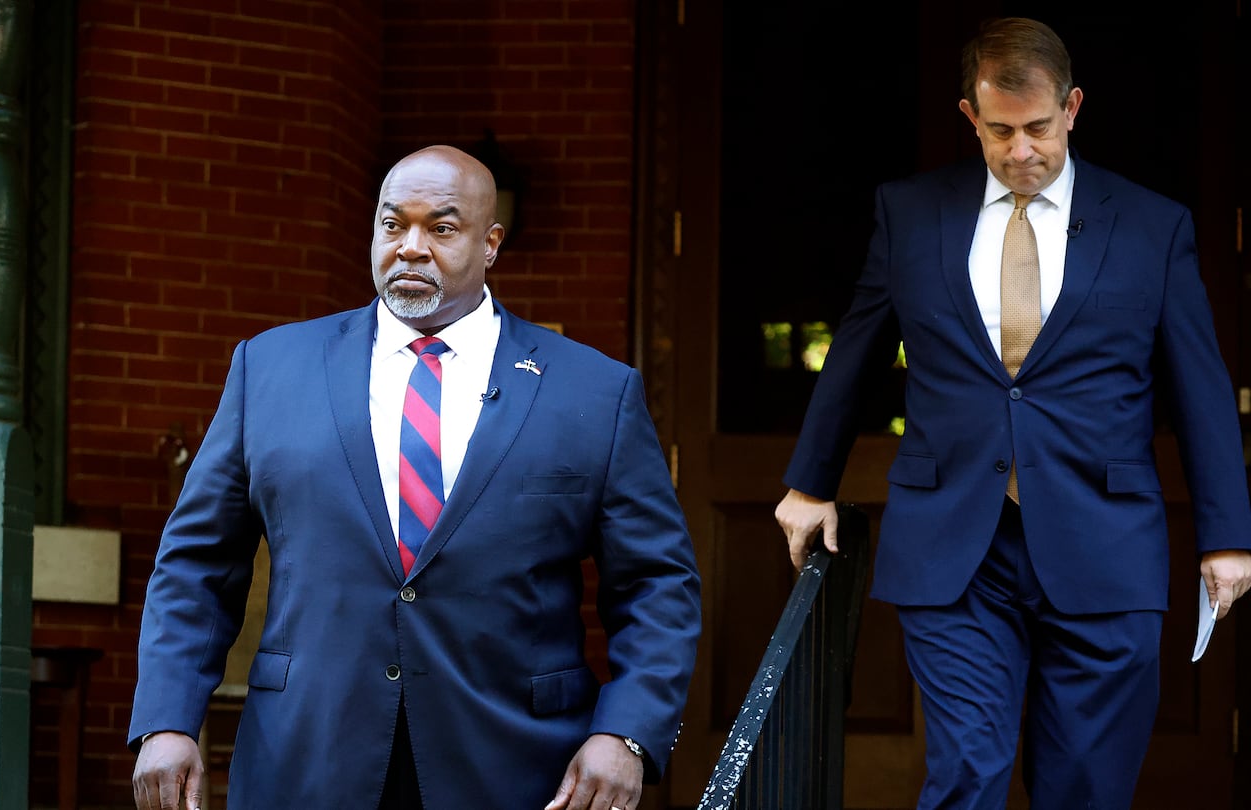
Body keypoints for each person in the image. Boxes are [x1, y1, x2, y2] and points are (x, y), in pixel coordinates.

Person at [128, 144, 701, 810]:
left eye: (442, 227)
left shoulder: (596, 392)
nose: (410, 246)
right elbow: (196, 563)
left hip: (517, 766)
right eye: (392, 223)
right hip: (306, 758)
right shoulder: (270, 368)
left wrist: (626, 733)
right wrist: (167, 718)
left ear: (490, 244)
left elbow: (658, 585)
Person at [774, 17, 1251, 809]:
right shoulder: (910, 211)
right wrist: (809, 482)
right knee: (968, 769)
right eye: (999, 130)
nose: (1020, 150)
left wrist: (1227, 535)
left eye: (1037, 128)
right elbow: (856, 351)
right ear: (970, 116)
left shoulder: (1152, 224)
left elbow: (1200, 384)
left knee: (1087, 787)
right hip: (956, 541)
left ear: (1072, 107)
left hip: (1107, 540)